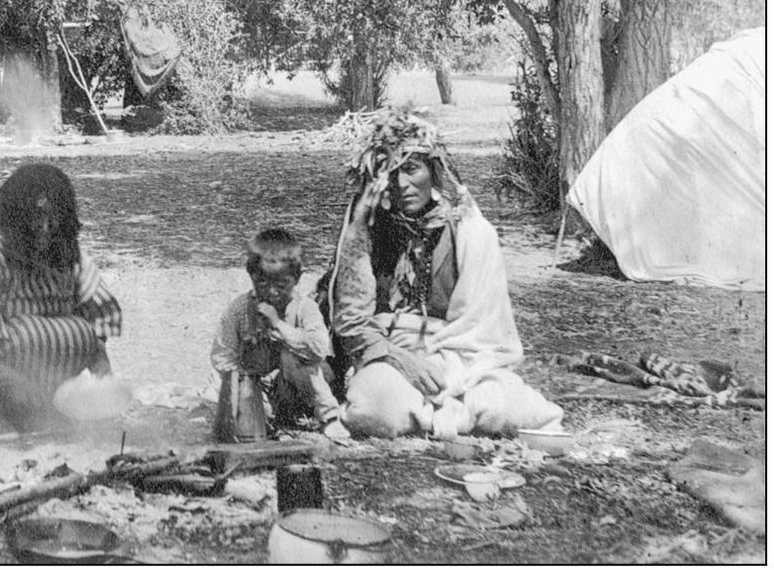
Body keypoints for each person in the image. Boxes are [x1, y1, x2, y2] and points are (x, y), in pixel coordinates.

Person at [324, 107, 564, 439]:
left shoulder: (470, 230)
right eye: (390, 174)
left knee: (512, 407)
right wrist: (401, 359)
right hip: (392, 356)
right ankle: (444, 412)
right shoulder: (368, 225)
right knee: (372, 407)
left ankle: (439, 410)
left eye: (412, 169)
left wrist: (446, 370)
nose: (402, 184)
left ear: (434, 171)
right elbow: (351, 318)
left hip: (465, 364)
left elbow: (484, 335)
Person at [0, 163, 122, 435]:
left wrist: (101, 388)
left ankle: (38, 416)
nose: (45, 226)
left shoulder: (68, 258)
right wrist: (20, 389)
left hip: (42, 392)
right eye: (35, 216)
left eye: (55, 217)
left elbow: (96, 341)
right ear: (15, 216)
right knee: (0, 430)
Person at [210, 228, 341, 439]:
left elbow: (318, 349)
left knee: (295, 357)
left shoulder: (304, 307)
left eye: (281, 285)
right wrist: (242, 377)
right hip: (264, 387)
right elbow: (222, 354)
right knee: (226, 383)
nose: (272, 292)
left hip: (304, 386)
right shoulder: (239, 309)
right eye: (262, 283)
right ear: (251, 276)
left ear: (296, 278)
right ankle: (263, 416)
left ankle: (330, 418)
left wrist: (279, 325)